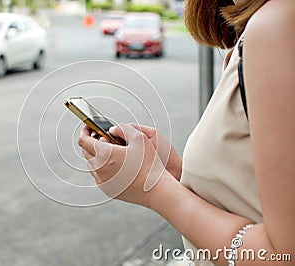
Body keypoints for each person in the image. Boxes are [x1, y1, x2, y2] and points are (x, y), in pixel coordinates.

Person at [78, 0, 295, 265]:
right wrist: (176, 174)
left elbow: (283, 256)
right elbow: (255, 197)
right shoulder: (263, 26)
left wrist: (154, 187)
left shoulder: (277, 24)